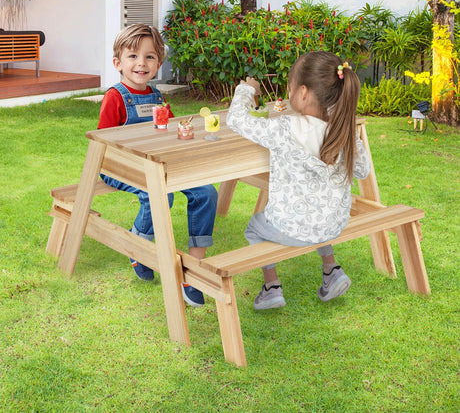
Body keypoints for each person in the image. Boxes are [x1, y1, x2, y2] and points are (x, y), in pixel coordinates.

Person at [226, 51, 371, 310]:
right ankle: (331, 270)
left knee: (254, 227)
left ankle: (271, 287)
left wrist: (245, 90)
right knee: (316, 211)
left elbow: (236, 119)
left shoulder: (283, 129)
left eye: (290, 87)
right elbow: (362, 171)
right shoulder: (343, 131)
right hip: (333, 224)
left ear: (303, 92)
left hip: (293, 228)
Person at [98, 23, 218, 307]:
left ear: (159, 63)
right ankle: (138, 247)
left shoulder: (158, 96)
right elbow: (103, 142)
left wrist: (184, 132)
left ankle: (194, 267)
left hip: (161, 164)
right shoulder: (115, 97)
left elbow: (171, 129)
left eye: (150, 57)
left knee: (207, 193)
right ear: (118, 63)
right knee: (160, 193)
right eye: (132, 57)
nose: (141, 63)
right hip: (119, 165)